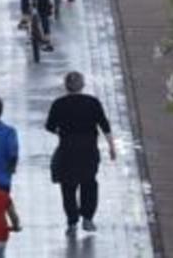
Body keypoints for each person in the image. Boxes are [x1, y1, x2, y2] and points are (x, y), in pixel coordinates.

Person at [46, 71, 116, 235]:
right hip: (89, 150)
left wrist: (62, 133)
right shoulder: (92, 102)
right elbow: (104, 125)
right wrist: (112, 147)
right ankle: (88, 218)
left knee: (68, 186)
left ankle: (72, 222)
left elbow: (49, 126)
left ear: (66, 86)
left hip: (67, 150)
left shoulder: (59, 104)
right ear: (83, 85)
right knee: (89, 183)